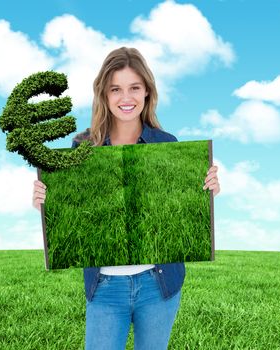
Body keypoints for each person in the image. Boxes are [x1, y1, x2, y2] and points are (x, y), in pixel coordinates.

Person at [33, 47, 220, 350]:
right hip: (106, 287)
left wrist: (207, 189)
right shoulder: (82, 146)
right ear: (104, 95)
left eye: (134, 87)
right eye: (115, 89)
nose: (126, 98)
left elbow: (178, 214)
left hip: (158, 284)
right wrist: (46, 199)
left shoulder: (167, 145)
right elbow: (75, 213)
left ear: (147, 91)